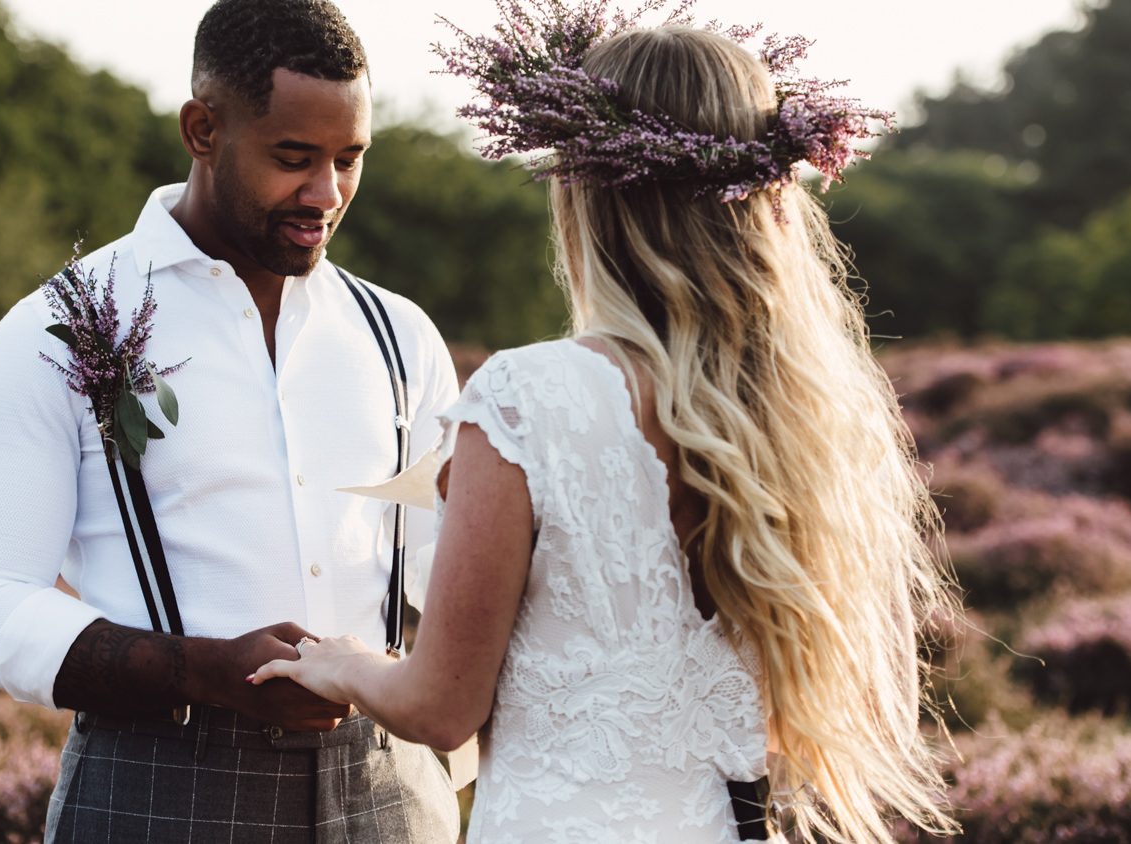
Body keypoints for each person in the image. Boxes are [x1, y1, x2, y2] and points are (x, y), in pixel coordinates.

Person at [250, 11, 959, 844]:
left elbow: (442, 709)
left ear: (586, 194)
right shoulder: (818, 413)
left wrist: (345, 664)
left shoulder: (527, 397)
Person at [0, 1, 461, 841]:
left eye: (350, 159)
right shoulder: (56, 331)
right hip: (159, 784)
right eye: (295, 158)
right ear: (202, 128)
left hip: (392, 789)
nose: (326, 194)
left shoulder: (400, 334)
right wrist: (208, 671)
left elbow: (445, 567)